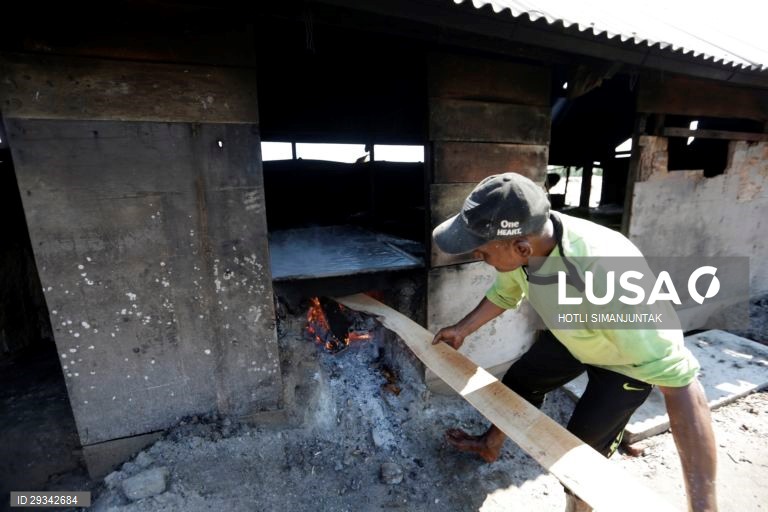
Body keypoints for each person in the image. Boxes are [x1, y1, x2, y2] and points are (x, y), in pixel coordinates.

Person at [431, 172, 717, 512]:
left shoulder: (607, 273)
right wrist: (462, 329)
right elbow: (505, 293)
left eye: (482, 252)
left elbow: (682, 384)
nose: (479, 256)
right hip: (576, 332)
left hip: (625, 363)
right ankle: (490, 445)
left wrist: (703, 504)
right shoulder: (527, 241)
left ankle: (579, 507)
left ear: (521, 248)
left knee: (581, 455)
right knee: (521, 382)